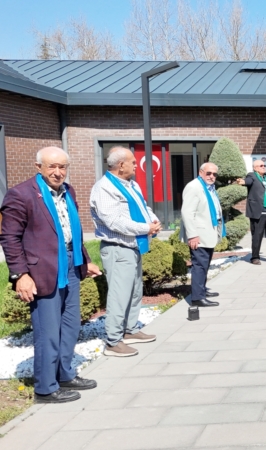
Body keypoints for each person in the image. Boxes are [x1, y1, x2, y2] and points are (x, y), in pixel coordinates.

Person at [0, 147, 101, 403]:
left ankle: (64, 374)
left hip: (71, 263)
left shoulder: (69, 191)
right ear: (38, 168)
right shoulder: (20, 195)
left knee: (70, 324)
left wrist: (85, 261)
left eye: (62, 167)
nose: (58, 172)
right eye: (51, 167)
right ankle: (45, 387)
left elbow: (73, 230)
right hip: (42, 269)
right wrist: (20, 274)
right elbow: (9, 238)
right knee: (48, 329)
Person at [90, 147, 162, 358]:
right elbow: (113, 221)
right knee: (120, 294)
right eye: (132, 162)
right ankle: (113, 341)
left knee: (134, 290)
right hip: (118, 248)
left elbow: (143, 206)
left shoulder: (130, 184)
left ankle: (129, 330)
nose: (135, 165)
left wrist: (153, 220)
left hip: (133, 246)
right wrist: (145, 228)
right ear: (121, 165)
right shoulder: (104, 188)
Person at [181, 162, 226, 307]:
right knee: (199, 265)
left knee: (204, 264)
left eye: (214, 174)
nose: (212, 176)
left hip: (208, 232)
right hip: (198, 234)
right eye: (208, 173)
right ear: (201, 173)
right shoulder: (194, 187)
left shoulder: (209, 188)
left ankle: (201, 290)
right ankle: (197, 298)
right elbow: (187, 213)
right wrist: (192, 235)